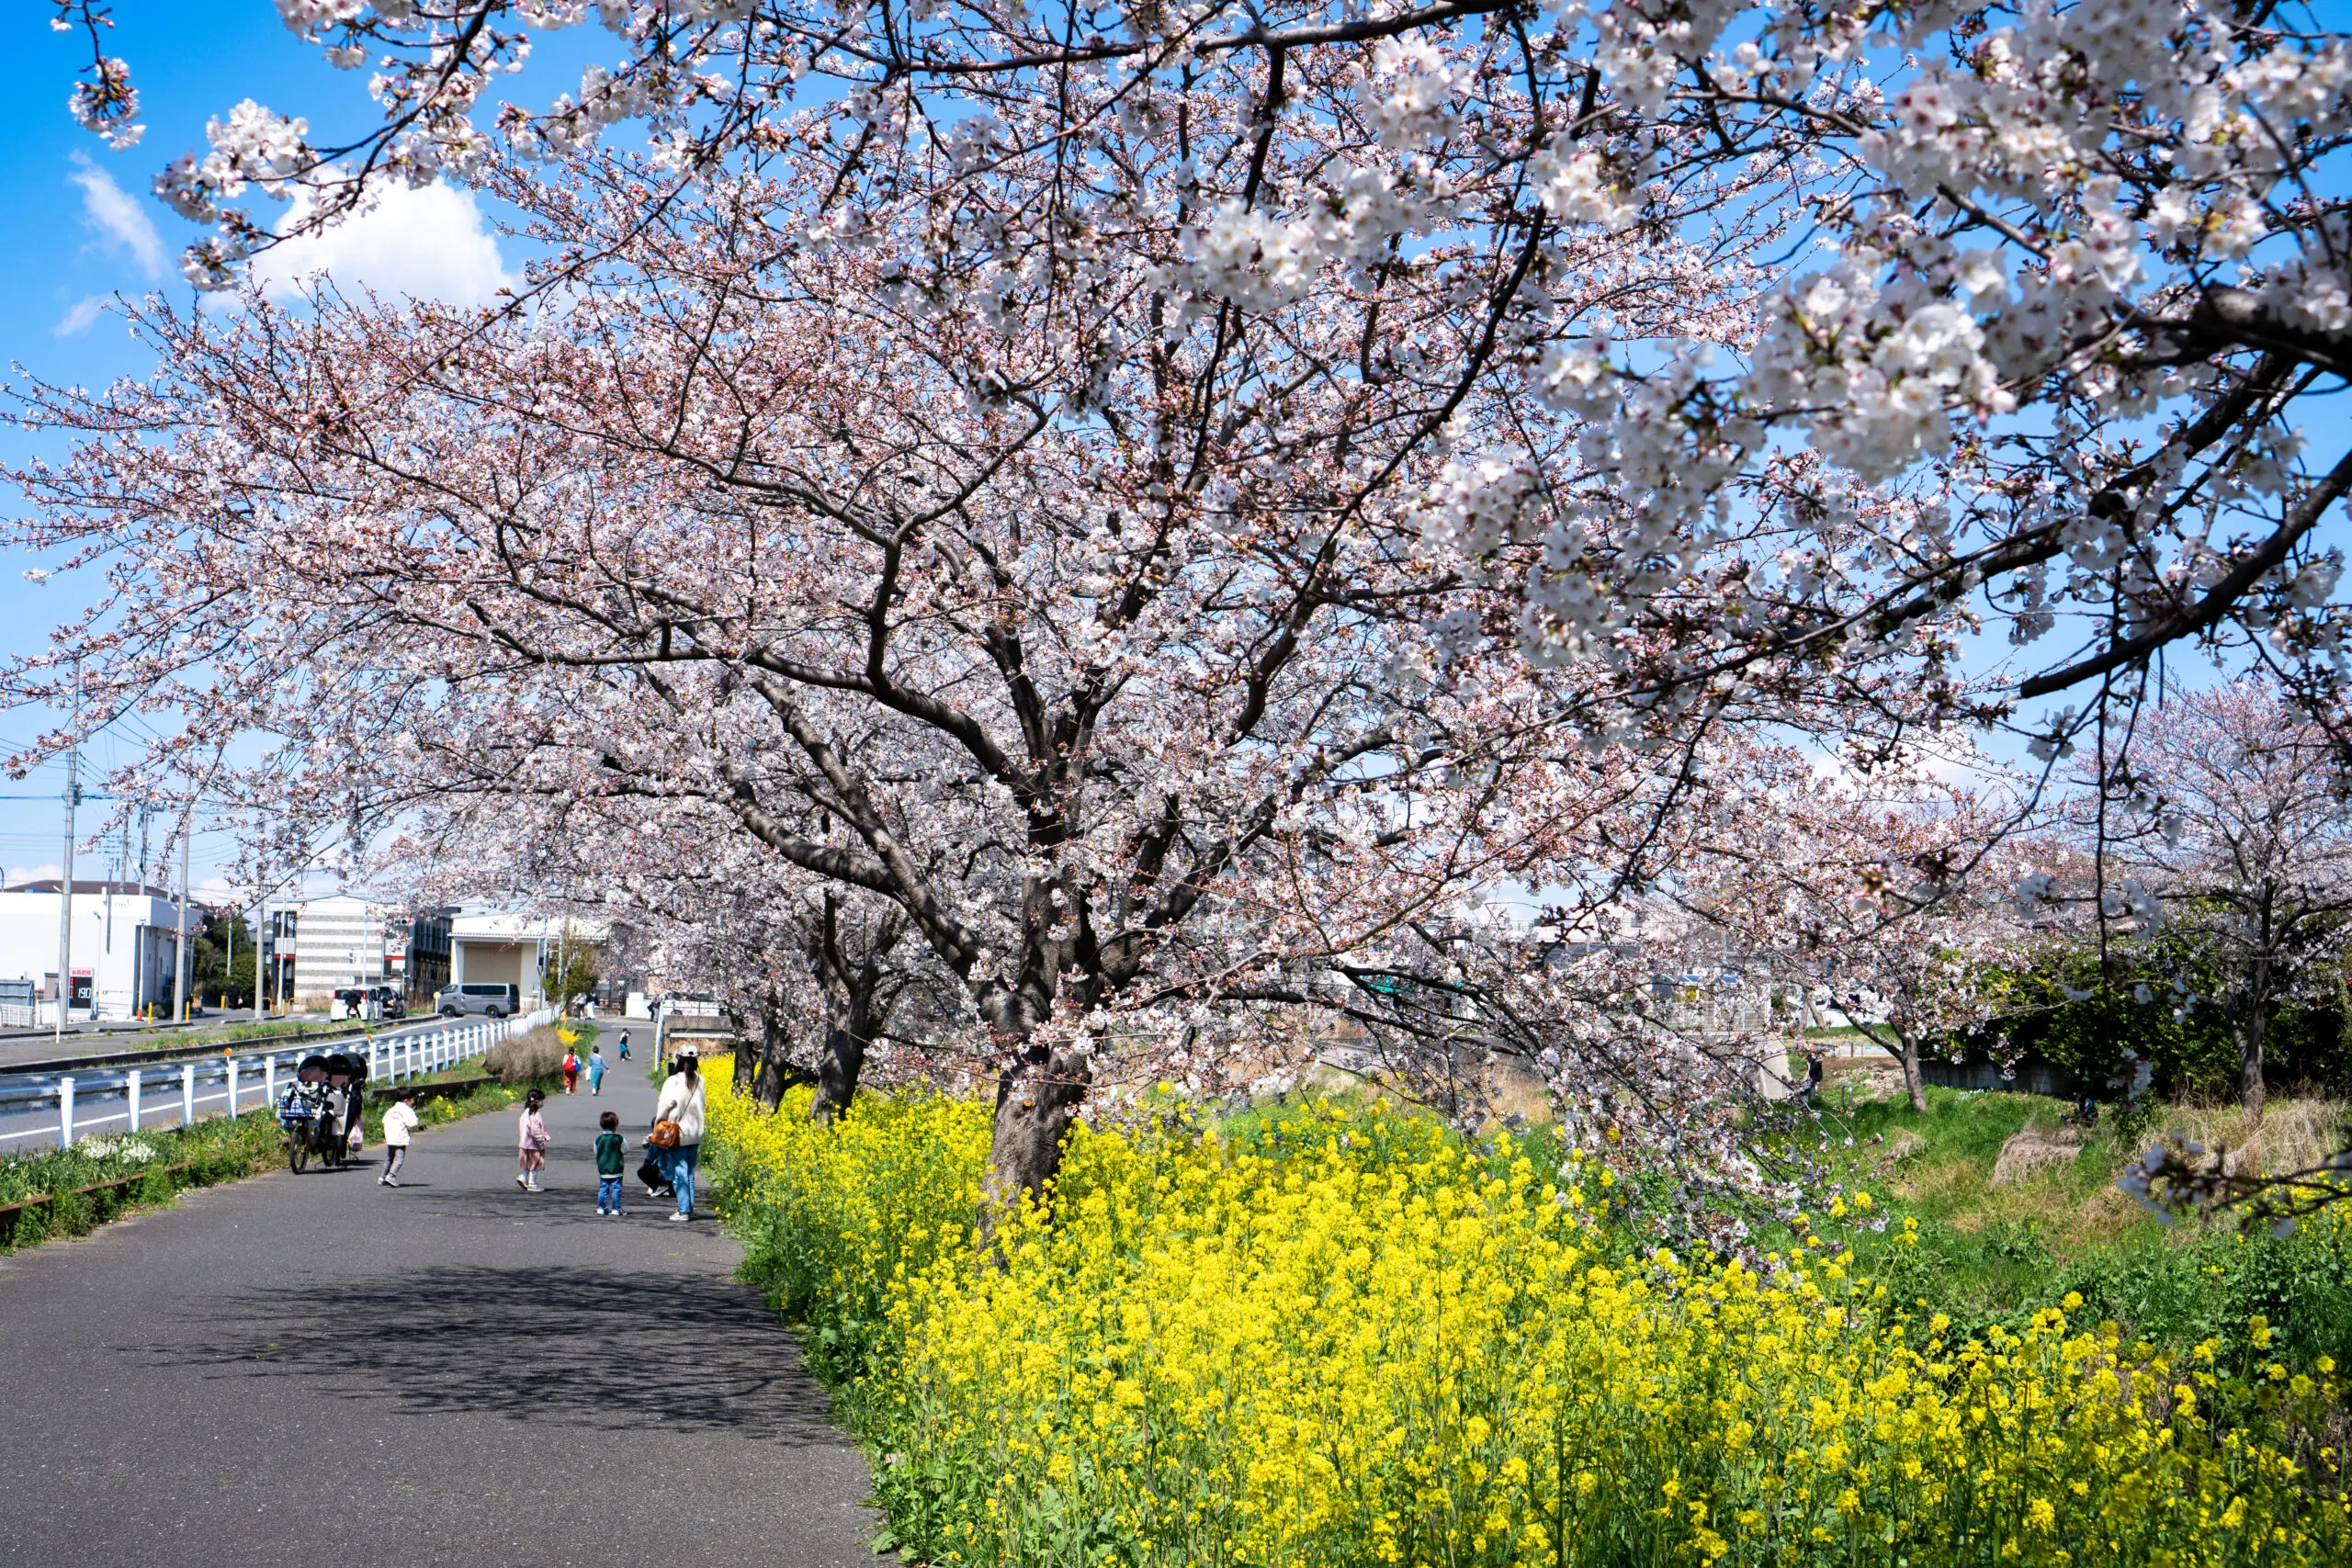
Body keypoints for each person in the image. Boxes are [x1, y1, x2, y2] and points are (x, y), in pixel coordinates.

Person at [650, 1046, 707, 1223]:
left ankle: (683, 1210)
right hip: (696, 1131)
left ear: (679, 1060)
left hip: (678, 1132)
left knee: (680, 1172)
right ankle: (688, 1206)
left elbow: (664, 1106)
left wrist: (659, 1123)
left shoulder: (673, 1081)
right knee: (689, 1171)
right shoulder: (701, 1080)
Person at [380, 1088, 420, 1187]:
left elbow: (384, 1121)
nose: (413, 1102)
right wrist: (414, 1129)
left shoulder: (392, 1110)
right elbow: (413, 1124)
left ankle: (382, 1177)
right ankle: (391, 1175)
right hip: (400, 1137)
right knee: (399, 1158)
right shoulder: (407, 1110)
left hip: (390, 1137)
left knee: (389, 1158)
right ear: (406, 1100)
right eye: (412, 1100)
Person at [594, 1111, 627, 1216]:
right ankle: (616, 1208)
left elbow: (596, 1151)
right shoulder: (619, 1138)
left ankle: (601, 1207)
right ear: (616, 1124)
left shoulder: (598, 1139)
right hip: (616, 1168)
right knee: (616, 1188)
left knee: (603, 1188)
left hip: (603, 1169)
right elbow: (625, 1149)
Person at [516, 1089, 550, 1192]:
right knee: (535, 1164)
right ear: (537, 1101)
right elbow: (535, 1131)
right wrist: (542, 1142)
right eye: (541, 1100)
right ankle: (532, 1183)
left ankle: (523, 1176)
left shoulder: (526, 1112)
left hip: (525, 1143)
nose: (543, 1103)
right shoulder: (535, 1115)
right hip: (534, 1144)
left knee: (528, 1162)